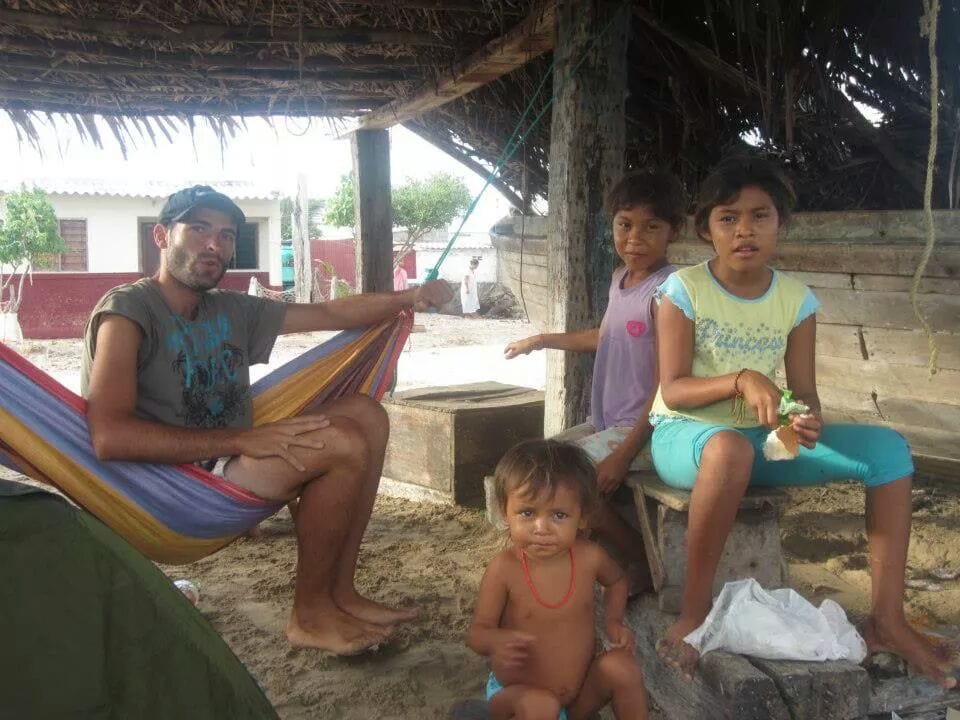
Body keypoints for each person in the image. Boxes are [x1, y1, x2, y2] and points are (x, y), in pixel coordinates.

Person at [80, 185, 453, 656]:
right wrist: (244, 439)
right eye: (198, 229)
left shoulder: (230, 307)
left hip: (230, 457)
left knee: (367, 415)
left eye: (226, 236)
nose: (214, 245)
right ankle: (309, 616)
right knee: (342, 444)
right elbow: (109, 436)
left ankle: (340, 592)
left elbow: (329, 311)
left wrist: (411, 296)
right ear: (161, 236)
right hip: (171, 484)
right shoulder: (128, 311)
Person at [650, 157, 958, 690]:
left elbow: (804, 390)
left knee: (888, 451)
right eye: (728, 218)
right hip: (685, 436)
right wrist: (741, 378)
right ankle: (695, 613)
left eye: (760, 216)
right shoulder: (684, 290)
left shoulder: (796, 300)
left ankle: (887, 620)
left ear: (781, 224)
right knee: (728, 448)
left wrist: (804, 417)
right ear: (705, 230)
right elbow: (673, 387)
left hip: (759, 439)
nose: (744, 230)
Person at [504, 170, 685, 594]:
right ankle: (579, 556)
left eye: (651, 227)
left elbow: (668, 384)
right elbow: (602, 337)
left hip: (646, 429)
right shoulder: (620, 280)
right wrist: (541, 340)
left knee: (564, 481)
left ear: (673, 231)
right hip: (606, 422)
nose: (635, 239)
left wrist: (624, 454)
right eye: (625, 225)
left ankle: (641, 558)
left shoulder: (670, 291)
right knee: (535, 463)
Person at [467, 440, 649, 720]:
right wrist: (495, 641)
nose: (542, 528)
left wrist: (613, 621)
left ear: (583, 517)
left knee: (622, 668)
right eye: (527, 513)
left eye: (559, 515)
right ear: (505, 512)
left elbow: (616, 582)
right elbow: (477, 634)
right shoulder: (504, 569)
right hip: (518, 701)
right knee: (542, 706)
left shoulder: (590, 557)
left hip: (575, 698)